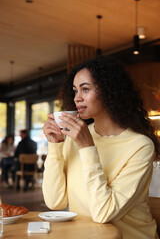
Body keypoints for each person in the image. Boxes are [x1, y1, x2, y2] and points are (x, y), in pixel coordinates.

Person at [42, 55, 160, 239]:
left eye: (85, 89)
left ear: (108, 90)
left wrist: (87, 147)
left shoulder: (140, 146)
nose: (77, 98)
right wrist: (55, 145)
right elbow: (55, 202)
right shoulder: (75, 137)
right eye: (74, 91)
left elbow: (103, 213)